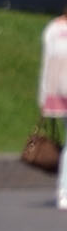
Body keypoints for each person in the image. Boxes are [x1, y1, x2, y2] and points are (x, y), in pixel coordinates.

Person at [42, 11, 67, 209]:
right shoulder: (54, 30)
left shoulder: (53, 28)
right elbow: (49, 63)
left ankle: (63, 191)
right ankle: (64, 191)